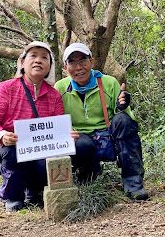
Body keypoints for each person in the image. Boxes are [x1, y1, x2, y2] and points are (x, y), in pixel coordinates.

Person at [55, 42, 149, 200]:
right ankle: (88, 177)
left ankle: (133, 183)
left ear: (91, 62)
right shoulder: (60, 88)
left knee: (124, 121)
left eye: (83, 60)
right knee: (81, 144)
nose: (78, 67)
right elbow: (55, 121)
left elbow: (127, 119)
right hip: (79, 139)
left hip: (106, 135)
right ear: (65, 67)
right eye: (72, 62)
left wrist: (122, 106)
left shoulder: (109, 83)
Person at [0, 41, 69, 211]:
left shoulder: (54, 96)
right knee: (12, 152)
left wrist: (66, 136)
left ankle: (33, 190)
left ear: (49, 66)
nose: (38, 60)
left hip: (37, 152)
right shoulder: (6, 88)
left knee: (50, 161)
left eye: (44, 57)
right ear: (22, 63)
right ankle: (12, 196)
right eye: (33, 56)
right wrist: (2, 135)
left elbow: (58, 128)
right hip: (2, 150)